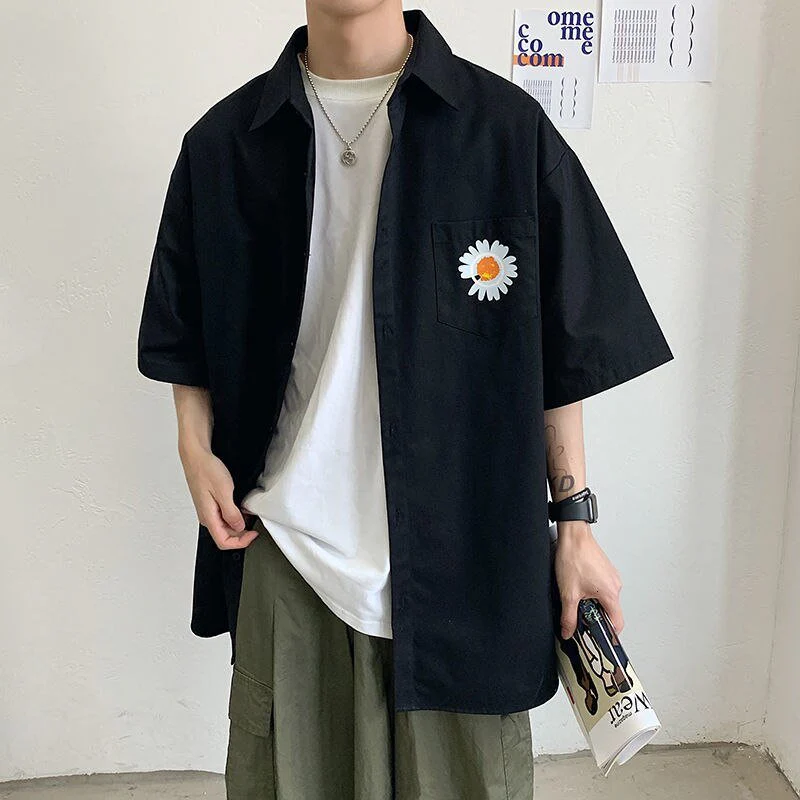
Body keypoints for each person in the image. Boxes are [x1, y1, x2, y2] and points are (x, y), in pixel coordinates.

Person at [136, 3, 674, 798]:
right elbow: (183, 331)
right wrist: (193, 444)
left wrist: (575, 525)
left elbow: (560, 349)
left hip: (469, 564)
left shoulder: (503, 132)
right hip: (289, 552)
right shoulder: (222, 145)